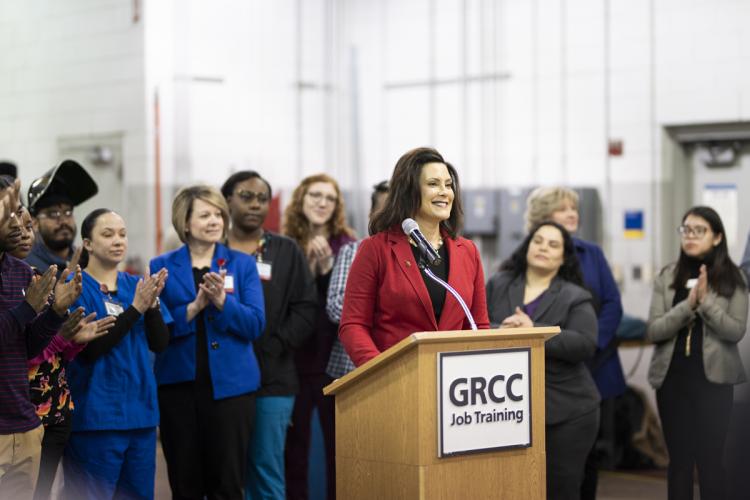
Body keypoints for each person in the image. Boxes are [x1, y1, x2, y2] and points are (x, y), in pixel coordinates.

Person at [151, 185, 265, 499]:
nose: (214, 220)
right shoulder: (160, 266)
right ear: (185, 223)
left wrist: (222, 303)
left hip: (231, 390)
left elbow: (255, 324)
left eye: (218, 214)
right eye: (205, 214)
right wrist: (194, 306)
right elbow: (156, 330)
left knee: (227, 484)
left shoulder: (241, 264)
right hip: (178, 388)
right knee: (185, 483)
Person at [339, 147, 490, 366]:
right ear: (410, 191)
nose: (444, 192)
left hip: (456, 384)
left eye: (448, 185)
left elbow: (478, 325)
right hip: (395, 381)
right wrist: (379, 372)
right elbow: (353, 325)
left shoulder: (468, 251)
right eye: (433, 184)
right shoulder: (375, 249)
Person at [59, 209, 169, 499]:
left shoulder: (137, 285)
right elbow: (89, 350)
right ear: (88, 244)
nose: (118, 240)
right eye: (107, 235)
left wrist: (153, 304)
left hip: (141, 417)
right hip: (95, 418)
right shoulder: (76, 287)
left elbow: (159, 343)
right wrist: (135, 310)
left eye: (122, 234)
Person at [486, 221, 599, 500]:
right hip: (506, 407)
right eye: (538, 241)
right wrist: (499, 331)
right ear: (527, 246)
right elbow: (472, 325)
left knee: (559, 488)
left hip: (568, 410)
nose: (543, 248)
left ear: (563, 257)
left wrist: (534, 332)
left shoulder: (575, 296)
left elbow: (585, 343)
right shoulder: (498, 284)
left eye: (553, 245)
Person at [221, 171, 317, 500]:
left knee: (265, 467)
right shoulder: (212, 251)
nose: (256, 204)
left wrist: (274, 347)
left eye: (262, 198)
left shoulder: (286, 251)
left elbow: (306, 308)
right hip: (221, 380)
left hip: (273, 379)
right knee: (225, 472)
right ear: (227, 201)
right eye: (246, 196)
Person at [9, 206, 115, 500]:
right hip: (20, 412)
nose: (24, 233)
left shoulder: (36, 276)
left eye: (29, 227)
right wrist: (58, 340)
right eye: (16, 224)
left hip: (55, 409)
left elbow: (56, 358)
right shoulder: (15, 281)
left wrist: (74, 340)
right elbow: (16, 352)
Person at [525, 186, 624, 498]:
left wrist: (589, 343)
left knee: (589, 457)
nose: (572, 214)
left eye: (574, 208)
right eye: (562, 208)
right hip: (548, 370)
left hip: (595, 363)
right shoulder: (529, 256)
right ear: (543, 217)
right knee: (549, 462)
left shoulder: (591, 253)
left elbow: (611, 303)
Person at [646, 206, 747, 500]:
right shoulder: (667, 276)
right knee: (679, 463)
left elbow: (735, 330)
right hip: (671, 382)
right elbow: (654, 331)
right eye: (686, 229)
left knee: (710, 462)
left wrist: (705, 305)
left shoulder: (735, 278)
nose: (690, 236)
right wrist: (687, 306)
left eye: (699, 230)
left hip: (714, 383)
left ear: (716, 237)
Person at [0, 178, 83, 500]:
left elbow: (28, 348)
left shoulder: (22, 273)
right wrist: (27, 308)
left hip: (24, 423)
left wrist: (55, 312)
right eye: (7, 212)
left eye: (19, 210)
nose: (19, 222)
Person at [282, 173, 355, 500]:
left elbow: (346, 308)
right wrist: (307, 275)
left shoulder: (349, 246)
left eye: (329, 198)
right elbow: (280, 305)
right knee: (294, 452)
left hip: (333, 363)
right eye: (315, 195)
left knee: (339, 452)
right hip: (292, 363)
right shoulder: (283, 245)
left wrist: (325, 273)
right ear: (301, 199)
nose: (322, 203)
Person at [325, 180, 389, 379]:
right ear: (371, 214)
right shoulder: (353, 251)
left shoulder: (418, 255)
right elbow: (335, 307)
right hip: (353, 369)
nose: (393, 216)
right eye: (385, 210)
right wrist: (386, 302)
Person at [26, 160, 98, 275]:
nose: (63, 221)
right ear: (34, 223)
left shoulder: (86, 261)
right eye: (53, 214)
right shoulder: (26, 267)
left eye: (68, 212)